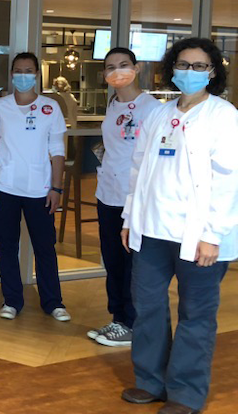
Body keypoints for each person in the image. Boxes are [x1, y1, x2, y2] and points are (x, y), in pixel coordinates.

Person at [120, 38, 238, 414]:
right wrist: (129, 217)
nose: (189, 72)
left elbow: (227, 179)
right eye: (183, 64)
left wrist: (211, 234)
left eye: (199, 66)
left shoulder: (223, 115)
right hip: (152, 231)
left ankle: (186, 393)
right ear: (172, 68)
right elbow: (138, 168)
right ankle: (150, 381)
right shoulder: (158, 113)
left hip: (197, 236)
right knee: (149, 306)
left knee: (196, 313)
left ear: (213, 72)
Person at [0, 52, 70, 322]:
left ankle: (53, 302)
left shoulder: (50, 107)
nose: (23, 75)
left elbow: (57, 149)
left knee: (45, 247)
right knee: (7, 246)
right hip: (4, 186)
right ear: (11, 75)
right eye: (18, 70)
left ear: (36, 74)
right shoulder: (0, 107)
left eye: (28, 70)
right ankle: (12, 300)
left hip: (40, 190)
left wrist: (56, 188)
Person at [88, 47, 159, 348]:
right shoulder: (113, 106)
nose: (117, 71)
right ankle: (118, 318)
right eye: (110, 67)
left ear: (137, 68)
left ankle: (131, 322)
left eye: (124, 65)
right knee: (113, 261)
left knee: (132, 263)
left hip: (136, 198)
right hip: (108, 194)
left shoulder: (153, 109)